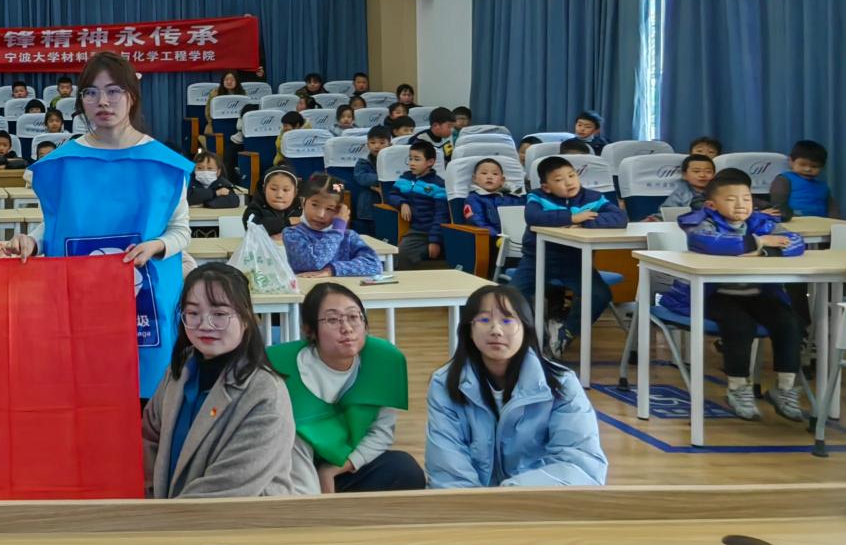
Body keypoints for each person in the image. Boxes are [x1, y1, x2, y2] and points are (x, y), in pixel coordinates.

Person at [14, 51, 194, 397]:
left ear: (132, 96)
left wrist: (157, 246)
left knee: (146, 400)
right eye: (91, 92)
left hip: (148, 301)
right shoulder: (61, 164)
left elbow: (181, 230)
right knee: (84, 392)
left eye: (114, 91)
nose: (103, 101)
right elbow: (53, 224)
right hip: (78, 298)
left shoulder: (164, 165)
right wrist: (33, 242)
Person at [140, 263, 307, 499]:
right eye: (193, 313)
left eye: (219, 314)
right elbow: (149, 436)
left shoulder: (266, 393)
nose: (205, 324)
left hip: (237, 518)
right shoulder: (181, 369)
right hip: (172, 514)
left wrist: (164, 516)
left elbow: (228, 486)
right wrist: (149, 498)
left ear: (246, 318)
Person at [425, 283, 607, 488]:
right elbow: (447, 470)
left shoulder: (561, 383)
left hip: (537, 499)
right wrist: (478, 505)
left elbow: (580, 464)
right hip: (469, 502)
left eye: (507, 320)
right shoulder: (445, 383)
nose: (496, 330)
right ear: (469, 329)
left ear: (526, 328)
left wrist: (511, 494)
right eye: (484, 320)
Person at [664, 169, 808, 421]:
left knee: (789, 321)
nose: (741, 205)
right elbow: (715, 244)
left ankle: (784, 388)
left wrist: (762, 250)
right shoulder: (698, 221)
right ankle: (738, 388)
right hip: (712, 295)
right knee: (740, 325)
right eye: (731, 199)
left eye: (746, 199)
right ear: (712, 204)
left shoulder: (760, 221)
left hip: (756, 293)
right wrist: (761, 242)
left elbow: (795, 242)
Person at [268, 282, 423, 493]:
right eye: (333, 320)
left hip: (342, 465)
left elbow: (381, 433)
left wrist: (333, 470)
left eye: (353, 317)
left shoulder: (383, 361)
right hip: (292, 470)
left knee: (404, 470)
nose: (347, 328)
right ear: (309, 330)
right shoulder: (280, 366)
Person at [514, 156, 627, 353]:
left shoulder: (592, 198)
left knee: (600, 294)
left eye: (572, 175)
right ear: (546, 187)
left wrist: (585, 222)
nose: (568, 182)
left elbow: (620, 218)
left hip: (575, 261)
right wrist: (571, 217)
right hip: (537, 260)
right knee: (511, 295)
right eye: (559, 180)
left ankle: (566, 332)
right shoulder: (537, 197)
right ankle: (536, 335)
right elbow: (534, 217)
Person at [282, 173, 383, 279]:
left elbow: (375, 265)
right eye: (314, 205)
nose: (320, 214)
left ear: (340, 210)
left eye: (330, 209)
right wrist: (337, 231)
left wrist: (332, 270)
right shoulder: (292, 234)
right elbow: (313, 262)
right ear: (303, 202)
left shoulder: (348, 236)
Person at [385, 139, 449, 269]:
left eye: (417, 159)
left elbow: (441, 215)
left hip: (425, 230)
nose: (412, 163)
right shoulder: (405, 178)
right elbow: (391, 195)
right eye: (410, 158)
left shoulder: (438, 185)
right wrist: (402, 203)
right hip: (409, 227)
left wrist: (435, 240)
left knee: (403, 253)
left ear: (430, 162)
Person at [768, 140, 830, 221]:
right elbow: (778, 203)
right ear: (791, 162)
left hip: (821, 222)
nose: (808, 169)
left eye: (814, 166)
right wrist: (783, 217)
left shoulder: (823, 186)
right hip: (793, 220)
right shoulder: (784, 179)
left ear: (822, 167)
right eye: (802, 165)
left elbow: (831, 207)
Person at [459, 156, 524, 233]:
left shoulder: (513, 197)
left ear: (502, 180)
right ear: (474, 178)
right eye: (484, 173)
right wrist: (497, 236)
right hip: (491, 237)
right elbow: (477, 222)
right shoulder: (473, 199)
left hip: (517, 235)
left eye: (495, 174)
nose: (489, 177)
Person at [244, 167, 301, 238]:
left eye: (286, 190)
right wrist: (287, 222)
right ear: (264, 189)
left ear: (295, 192)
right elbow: (255, 228)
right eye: (273, 189)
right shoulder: (254, 209)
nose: (279, 195)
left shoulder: (301, 211)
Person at [351, 125, 392, 195]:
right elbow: (361, 178)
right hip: (371, 190)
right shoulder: (363, 162)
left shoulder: (393, 161)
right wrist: (383, 178)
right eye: (373, 143)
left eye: (382, 143)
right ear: (368, 145)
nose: (377, 146)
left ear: (390, 145)